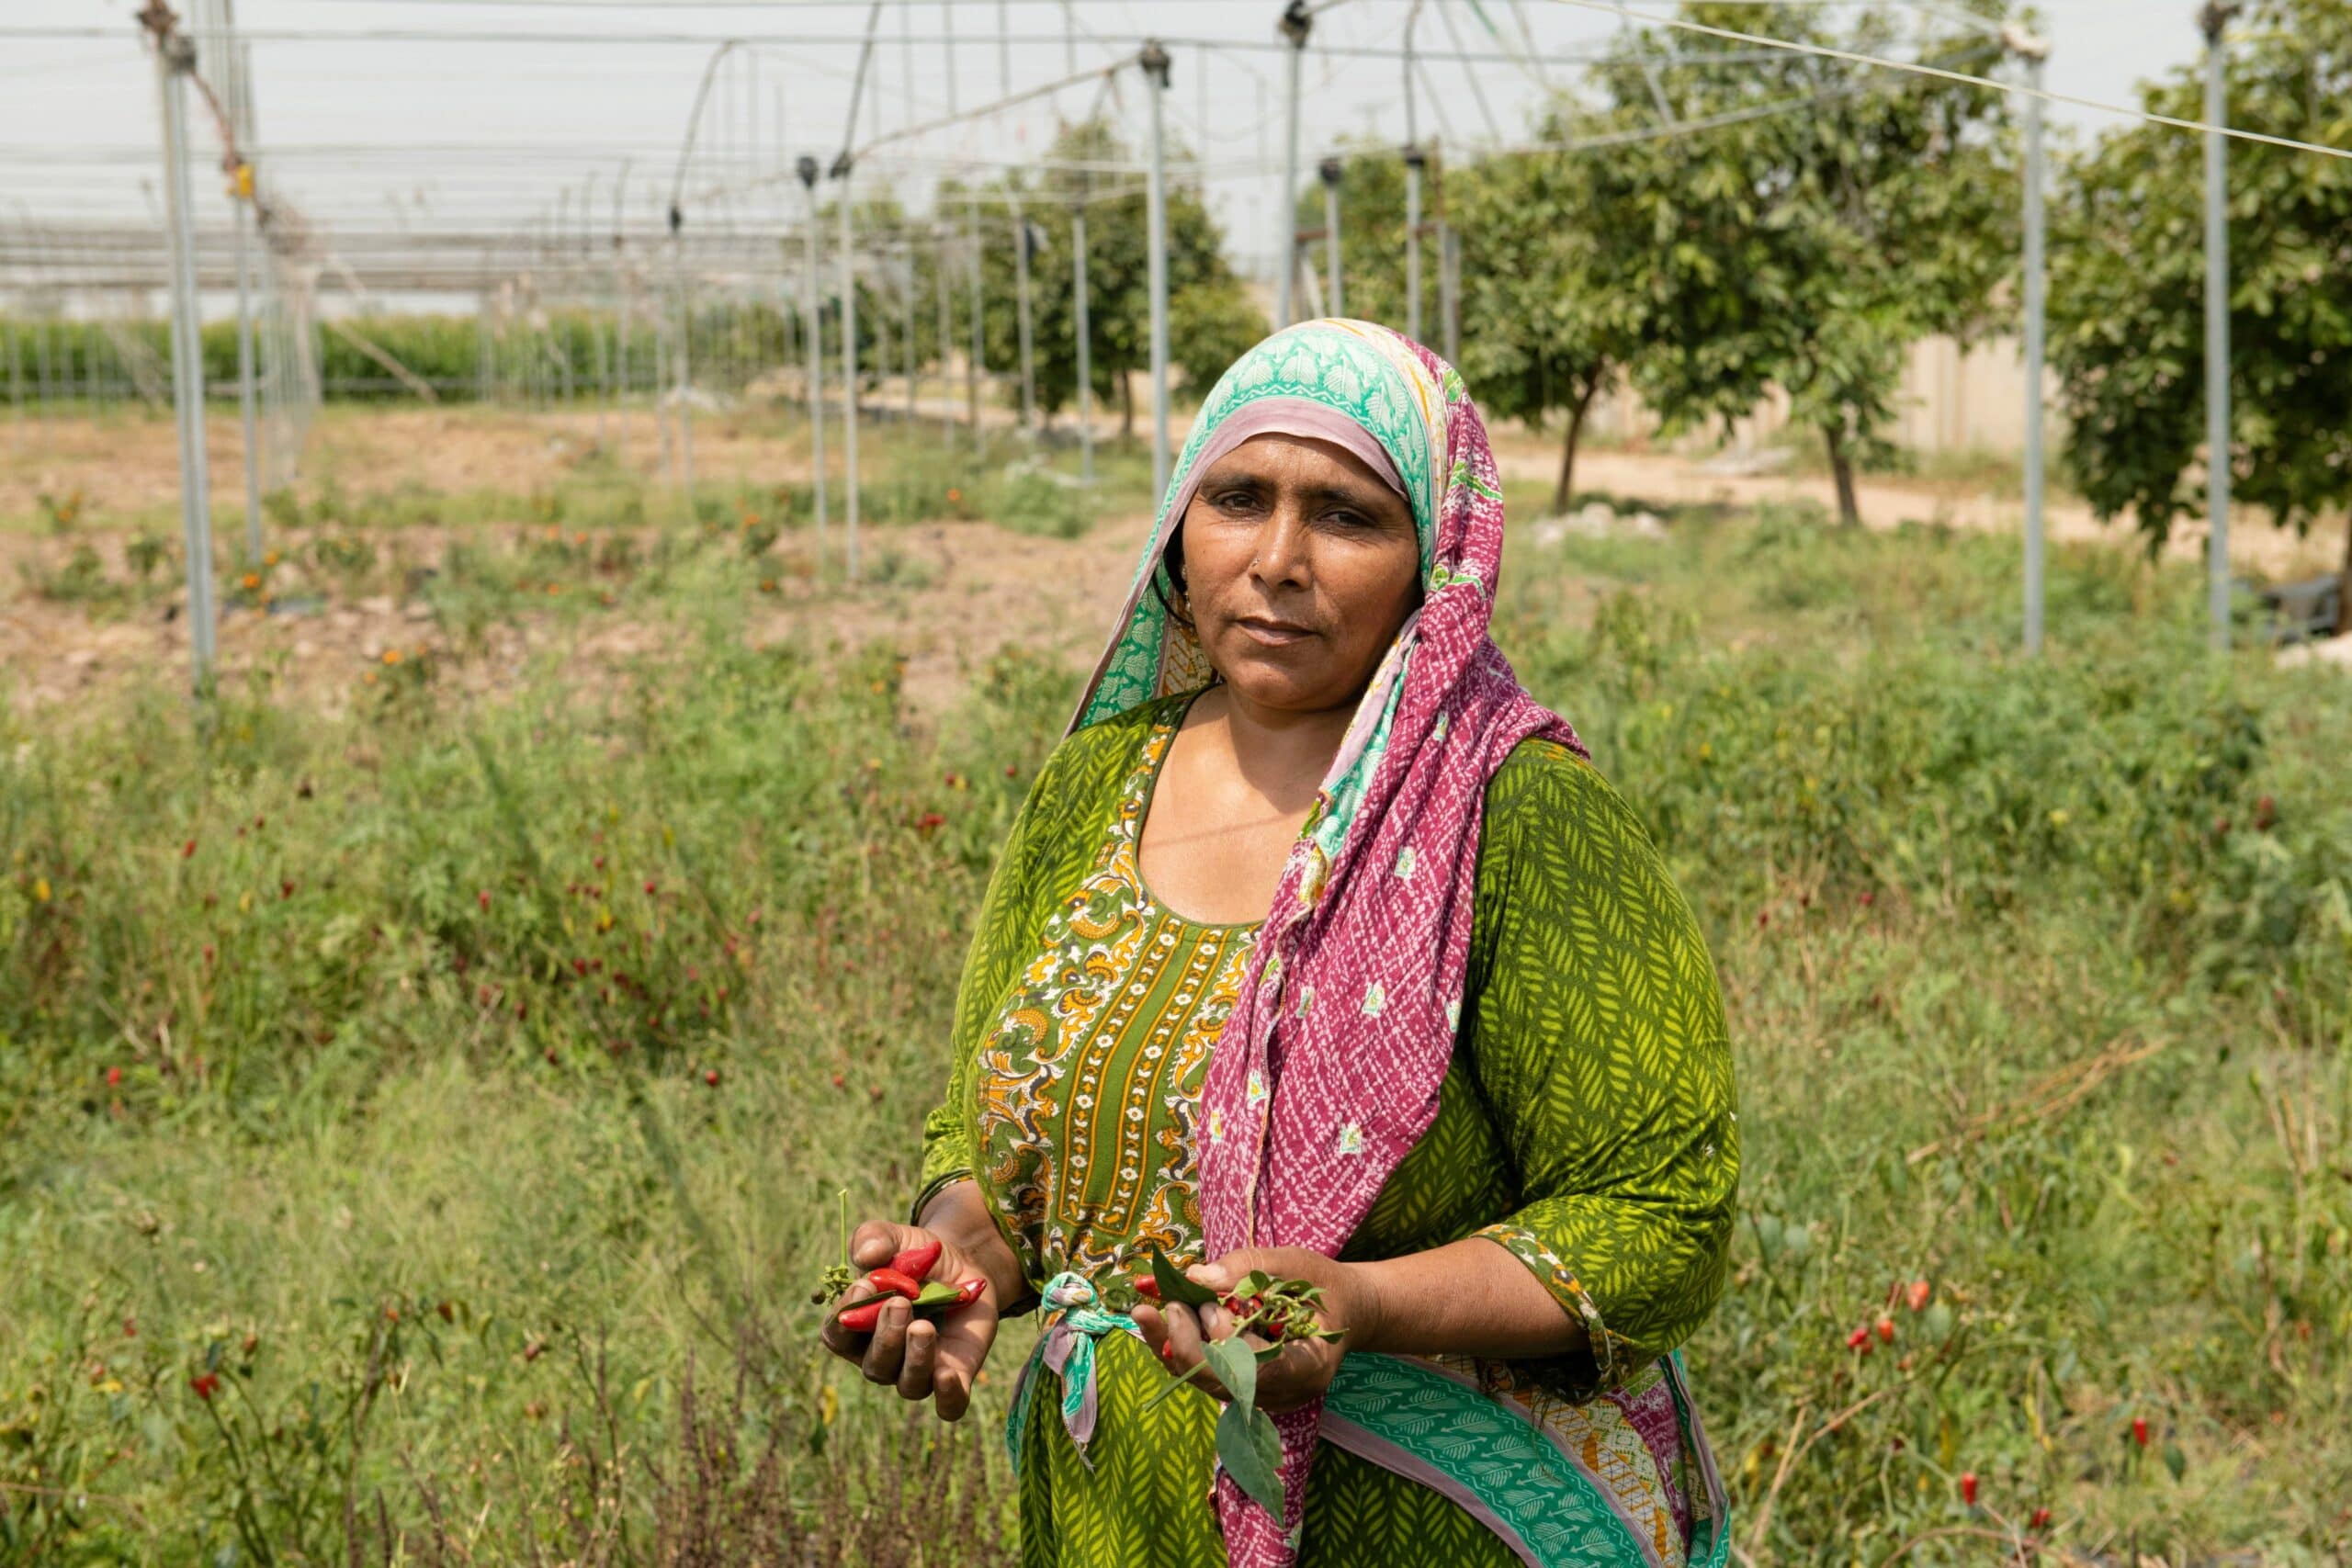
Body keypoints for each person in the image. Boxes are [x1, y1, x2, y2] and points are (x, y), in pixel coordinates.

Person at [820, 320, 1737, 1568]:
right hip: (1112, 1516)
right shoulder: (1098, 782)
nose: (1278, 559)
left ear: (1437, 561)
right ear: (1179, 528)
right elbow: (992, 1146)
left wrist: (1357, 1304)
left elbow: (1660, 1216)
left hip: (1426, 1519)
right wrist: (961, 1258)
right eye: (1238, 498)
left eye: (1348, 515)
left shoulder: (1517, 812)